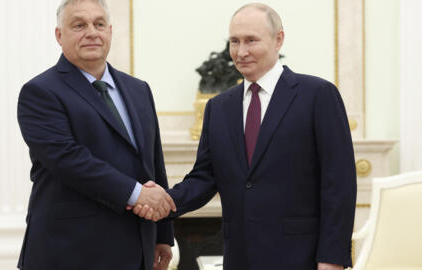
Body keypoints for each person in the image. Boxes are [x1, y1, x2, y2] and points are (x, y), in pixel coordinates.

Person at [133, 3, 357, 270]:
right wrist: (163, 202)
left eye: (251, 40)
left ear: (279, 39)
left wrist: (331, 260)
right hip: (240, 258)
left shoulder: (318, 96)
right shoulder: (218, 108)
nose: (241, 52)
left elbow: (339, 185)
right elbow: (204, 179)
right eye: (234, 42)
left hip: (301, 259)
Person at [16, 0, 175, 269]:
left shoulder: (139, 89)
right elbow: (70, 161)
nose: (92, 32)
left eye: (99, 24)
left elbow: (152, 162)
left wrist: (162, 233)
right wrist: (138, 194)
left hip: (136, 249)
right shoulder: (40, 92)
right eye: (79, 25)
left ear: (110, 31)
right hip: (70, 252)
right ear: (59, 35)